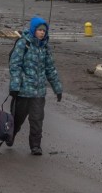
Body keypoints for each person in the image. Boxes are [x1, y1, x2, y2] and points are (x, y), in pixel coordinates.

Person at [8, 16, 63, 156]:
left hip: (39, 92)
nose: (42, 33)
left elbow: (50, 68)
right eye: (39, 30)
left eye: (44, 31)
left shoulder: (45, 47)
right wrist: (15, 86)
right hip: (23, 91)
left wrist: (57, 89)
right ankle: (10, 135)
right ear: (33, 30)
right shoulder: (23, 44)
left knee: (37, 119)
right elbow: (15, 65)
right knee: (17, 118)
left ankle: (35, 146)